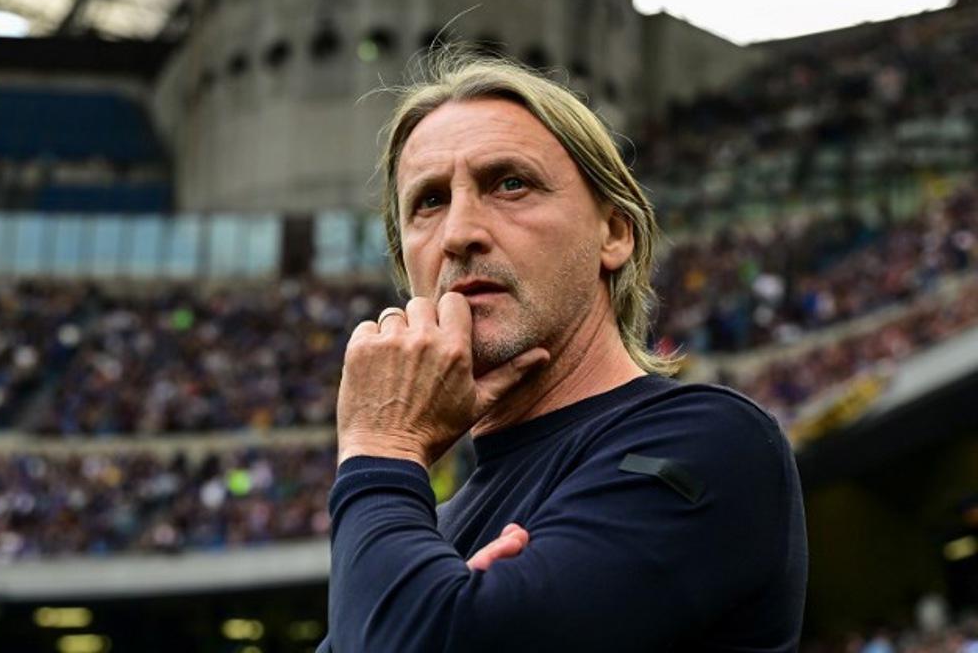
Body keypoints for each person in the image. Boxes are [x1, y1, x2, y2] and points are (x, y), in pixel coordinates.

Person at [317, 53, 808, 652]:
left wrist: (380, 448)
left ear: (614, 233)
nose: (459, 234)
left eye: (510, 183)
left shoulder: (713, 440)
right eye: (429, 202)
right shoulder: (429, 529)